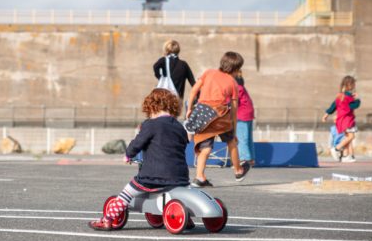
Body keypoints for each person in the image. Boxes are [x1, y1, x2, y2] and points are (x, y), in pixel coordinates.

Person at [89, 88, 190, 231]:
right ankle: (187, 217)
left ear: (151, 107)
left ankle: (107, 219)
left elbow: (138, 143)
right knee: (178, 192)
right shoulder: (180, 127)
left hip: (154, 176)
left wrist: (128, 155)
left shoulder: (151, 124)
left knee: (127, 192)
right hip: (180, 176)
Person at [184, 52, 251, 187]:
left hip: (202, 113)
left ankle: (199, 177)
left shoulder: (208, 73)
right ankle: (238, 171)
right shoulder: (233, 83)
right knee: (231, 142)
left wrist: (190, 109)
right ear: (236, 70)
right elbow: (234, 108)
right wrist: (233, 129)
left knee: (205, 148)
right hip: (219, 116)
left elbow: (193, 91)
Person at [322, 75, 361, 162]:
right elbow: (354, 105)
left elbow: (333, 106)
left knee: (347, 137)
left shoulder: (340, 96)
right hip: (347, 120)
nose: (354, 86)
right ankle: (336, 148)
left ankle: (345, 157)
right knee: (351, 136)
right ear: (350, 85)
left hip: (341, 121)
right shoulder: (348, 97)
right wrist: (357, 99)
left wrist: (326, 114)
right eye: (353, 84)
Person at [235, 70, 255, 166]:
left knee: (241, 138)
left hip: (241, 115)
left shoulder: (237, 89)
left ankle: (244, 160)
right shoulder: (243, 88)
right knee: (248, 138)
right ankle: (251, 159)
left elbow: (231, 102)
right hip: (249, 114)